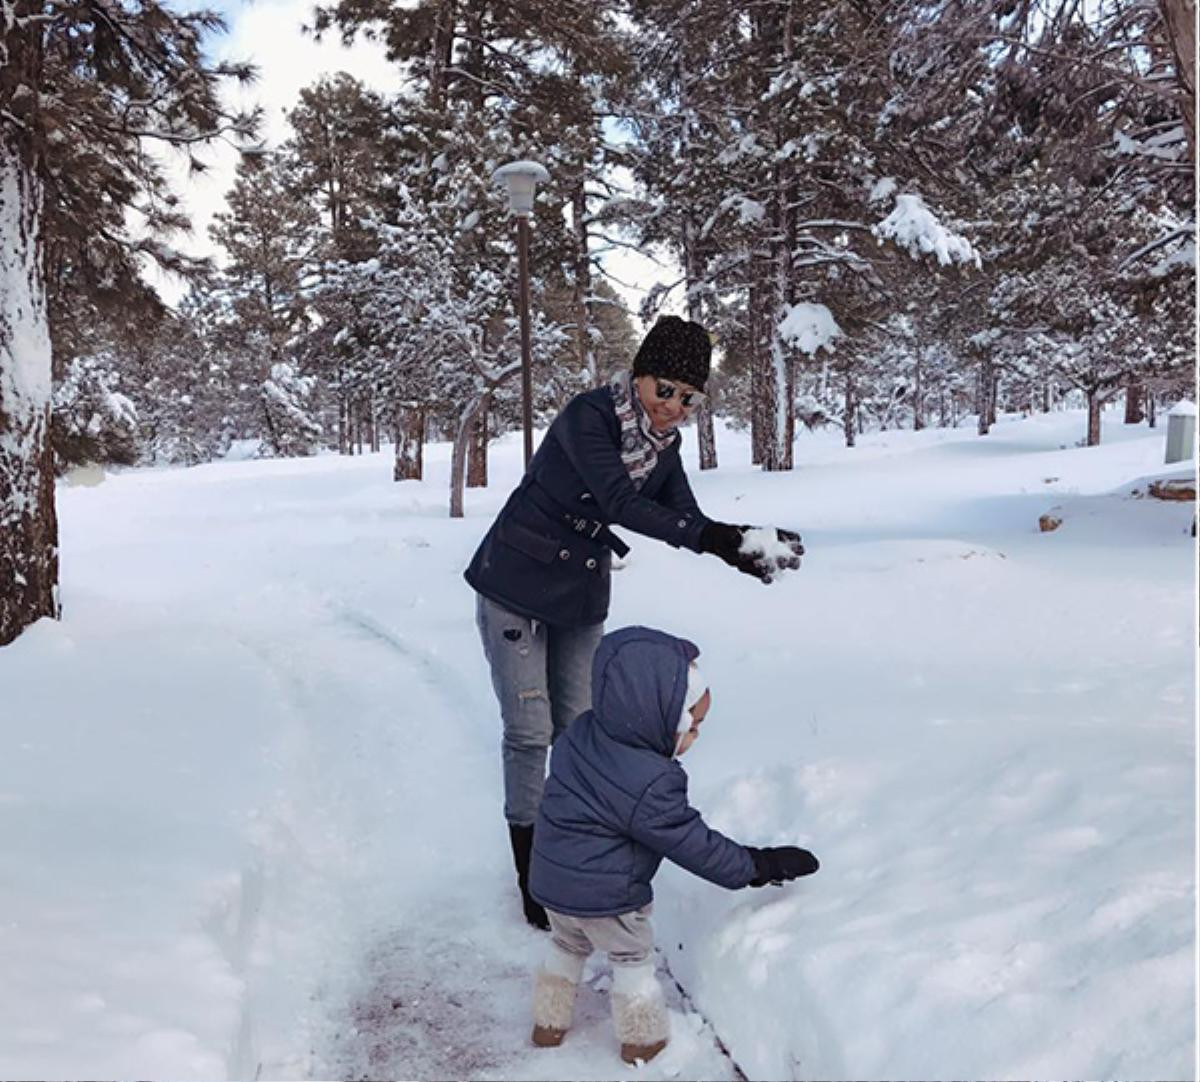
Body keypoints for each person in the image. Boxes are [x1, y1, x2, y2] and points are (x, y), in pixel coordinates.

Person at [465, 315, 804, 930]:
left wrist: (738, 546)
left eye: (688, 397)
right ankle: (531, 871)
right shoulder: (588, 416)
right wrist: (716, 538)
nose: (675, 406)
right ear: (640, 375)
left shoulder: (663, 449)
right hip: (514, 578)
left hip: (579, 588)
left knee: (579, 726)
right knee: (530, 729)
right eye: (665, 389)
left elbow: (684, 519)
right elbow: (621, 502)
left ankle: (574, 850)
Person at [525, 626, 819, 1064]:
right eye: (692, 724)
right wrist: (758, 866)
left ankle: (548, 1024)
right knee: (632, 960)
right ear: (655, 716)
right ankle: (642, 1040)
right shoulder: (650, 781)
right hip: (607, 899)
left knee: (566, 947)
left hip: (551, 881)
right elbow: (692, 844)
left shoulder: (580, 734)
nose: (696, 735)